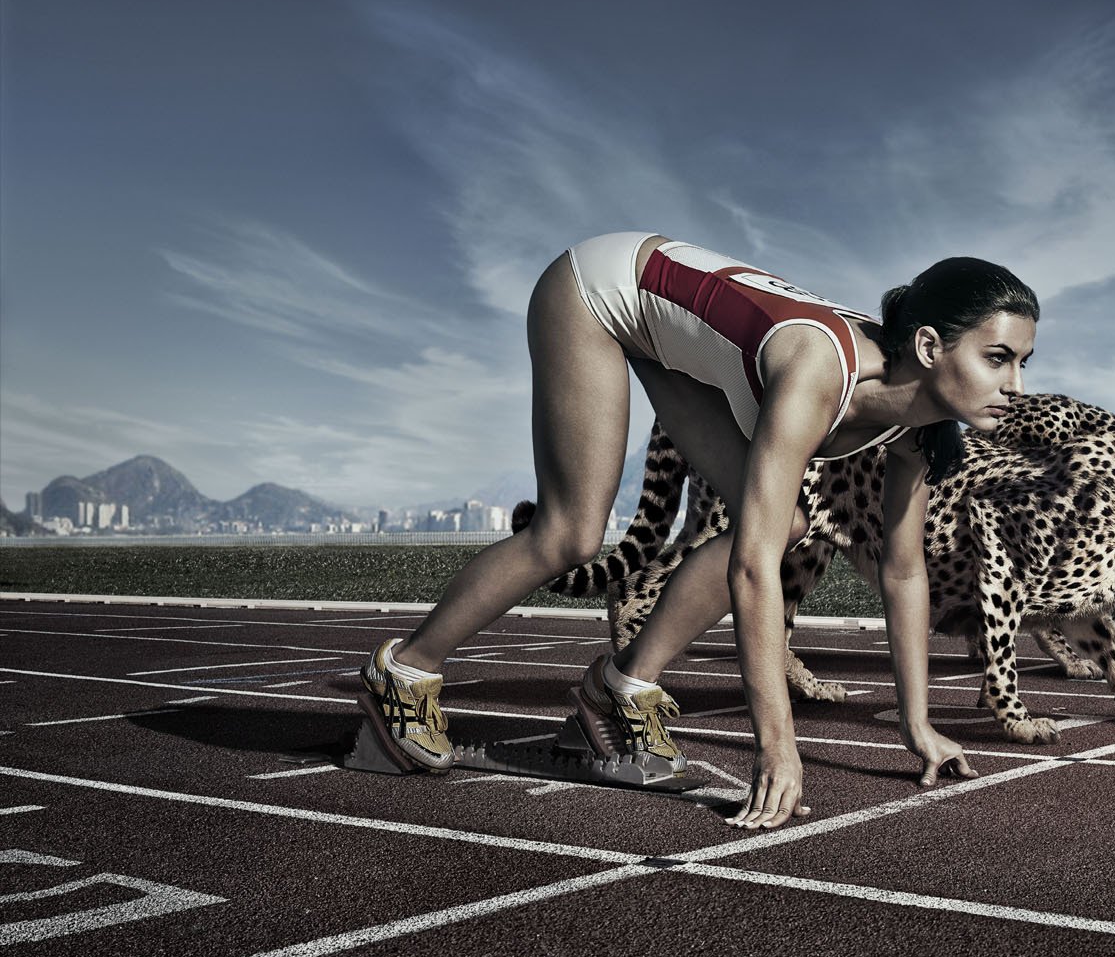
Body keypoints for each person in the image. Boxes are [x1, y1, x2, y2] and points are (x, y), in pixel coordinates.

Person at [355, 232, 1039, 830]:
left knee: (787, 520)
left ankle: (616, 692)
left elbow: (903, 570)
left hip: (667, 328)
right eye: (998, 358)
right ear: (928, 345)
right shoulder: (820, 371)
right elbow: (753, 569)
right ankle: (403, 673)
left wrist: (917, 725)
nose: (1014, 385)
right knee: (571, 533)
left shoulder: (919, 429)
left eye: (1021, 364)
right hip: (599, 289)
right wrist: (776, 748)